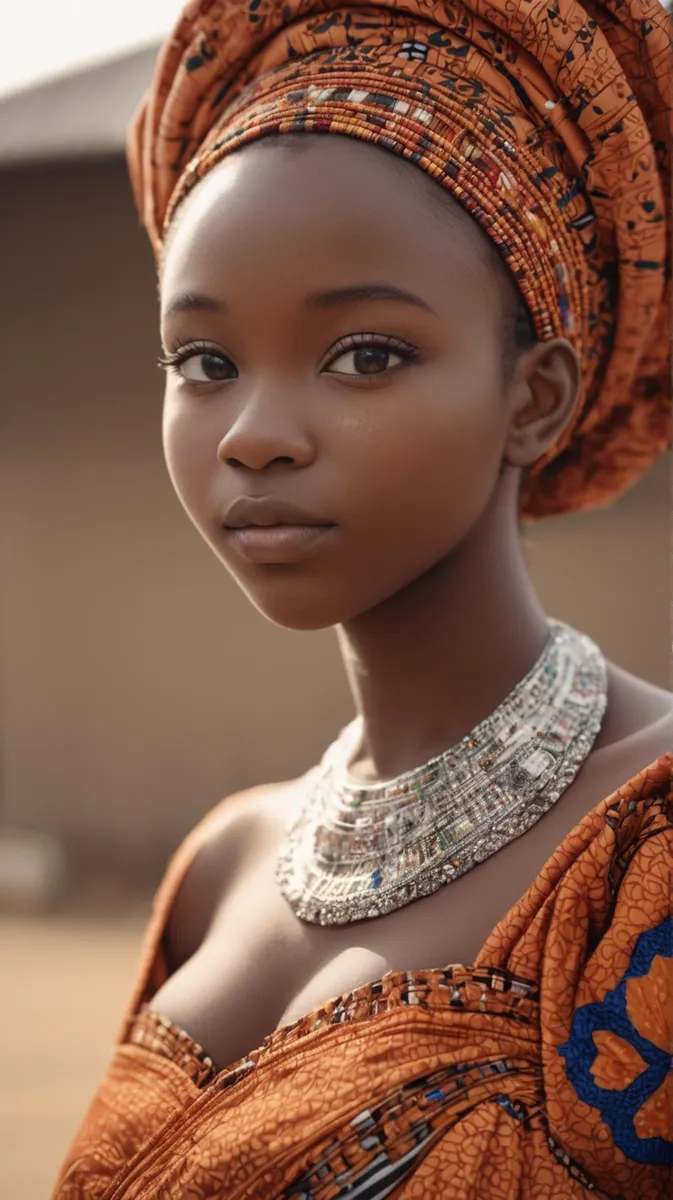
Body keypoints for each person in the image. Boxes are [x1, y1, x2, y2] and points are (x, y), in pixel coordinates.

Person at [54, 1, 671, 1197]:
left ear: (534, 398)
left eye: (365, 354)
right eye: (204, 363)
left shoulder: (644, 854)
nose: (255, 435)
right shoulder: (225, 865)